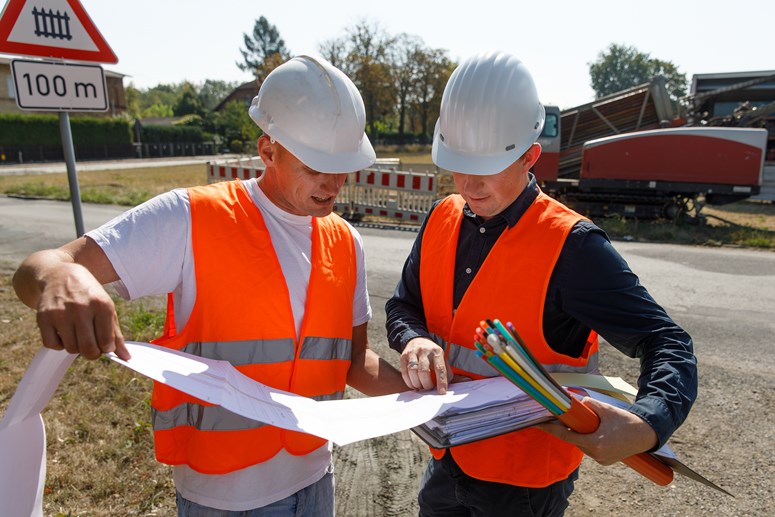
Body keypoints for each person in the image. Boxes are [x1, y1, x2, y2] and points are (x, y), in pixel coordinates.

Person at [13, 54, 409, 516]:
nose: (333, 183)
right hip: (225, 499)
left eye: (342, 166)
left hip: (316, 479)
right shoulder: (189, 218)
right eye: (315, 166)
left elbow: (353, 360)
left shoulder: (346, 240)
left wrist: (425, 397)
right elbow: (37, 269)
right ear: (268, 150)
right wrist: (61, 277)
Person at [385, 51, 698, 516]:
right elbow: (402, 307)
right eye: (457, 165)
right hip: (447, 458)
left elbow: (667, 341)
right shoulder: (441, 218)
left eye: (486, 168)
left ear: (529, 155)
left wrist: (648, 422)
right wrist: (412, 340)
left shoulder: (572, 245)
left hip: (526, 487)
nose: (468, 185)